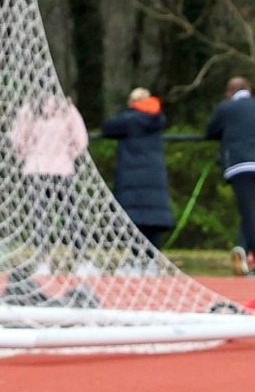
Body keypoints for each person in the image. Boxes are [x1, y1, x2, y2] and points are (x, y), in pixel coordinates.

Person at [10, 92, 89, 275]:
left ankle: (43, 261)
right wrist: (67, 154)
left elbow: (18, 139)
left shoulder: (29, 109)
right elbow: (81, 139)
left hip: (36, 168)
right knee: (70, 214)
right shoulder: (67, 110)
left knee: (40, 216)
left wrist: (30, 154)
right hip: (62, 168)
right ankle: (82, 260)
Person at [205, 76, 255, 278]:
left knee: (251, 215)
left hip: (242, 166)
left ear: (229, 93)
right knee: (254, 215)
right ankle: (242, 249)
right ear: (249, 90)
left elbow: (210, 131)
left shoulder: (227, 108)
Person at [101, 88, 174, 271]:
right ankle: (152, 262)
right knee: (154, 220)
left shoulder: (130, 120)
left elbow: (107, 128)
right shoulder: (158, 120)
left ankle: (138, 260)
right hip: (155, 175)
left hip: (132, 176)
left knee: (134, 220)